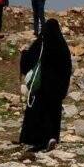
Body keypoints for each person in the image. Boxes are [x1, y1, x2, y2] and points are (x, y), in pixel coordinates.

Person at [18, 18, 73, 152]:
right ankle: (53, 137)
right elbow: (67, 67)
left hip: (43, 87)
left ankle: (39, 139)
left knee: (39, 113)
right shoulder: (62, 45)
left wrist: (23, 54)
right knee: (54, 113)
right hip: (57, 88)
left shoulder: (41, 43)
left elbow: (29, 60)